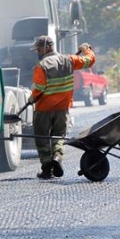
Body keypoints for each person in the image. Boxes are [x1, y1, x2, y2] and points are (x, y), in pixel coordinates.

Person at [29, 35, 96, 179]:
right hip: (62, 108)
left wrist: (31, 98)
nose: (37, 52)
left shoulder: (41, 66)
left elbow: (39, 88)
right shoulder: (69, 60)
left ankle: (47, 168)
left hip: (43, 109)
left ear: (47, 47)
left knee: (42, 138)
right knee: (59, 135)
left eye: (39, 49)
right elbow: (89, 61)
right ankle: (57, 157)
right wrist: (87, 49)